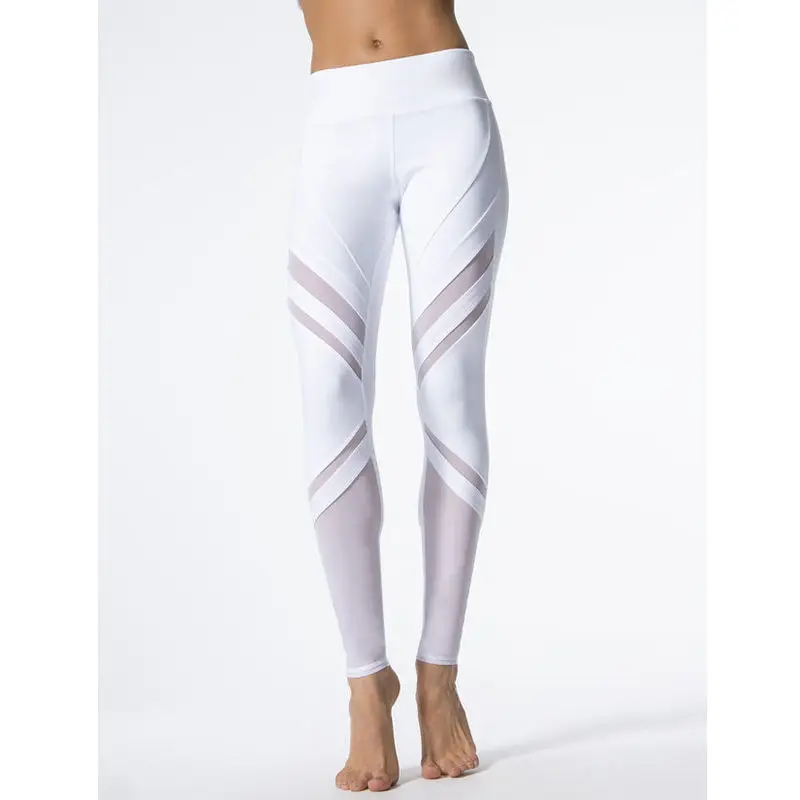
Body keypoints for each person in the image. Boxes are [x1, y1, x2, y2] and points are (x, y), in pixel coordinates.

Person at [287, 0, 509, 791]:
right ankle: (365, 682)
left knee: (450, 390)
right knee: (327, 388)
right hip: (336, 121)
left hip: (447, 116)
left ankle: (438, 675)